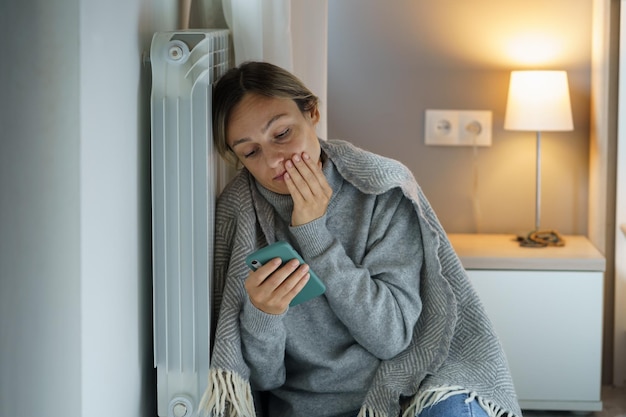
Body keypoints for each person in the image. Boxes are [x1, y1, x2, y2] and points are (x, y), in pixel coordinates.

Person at [200, 61, 522, 417]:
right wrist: (264, 313)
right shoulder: (239, 212)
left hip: (412, 384)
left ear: (312, 112)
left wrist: (314, 235)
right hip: (309, 404)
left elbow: (390, 338)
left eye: (281, 134)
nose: (275, 160)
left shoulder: (380, 188)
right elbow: (263, 379)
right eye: (250, 152)